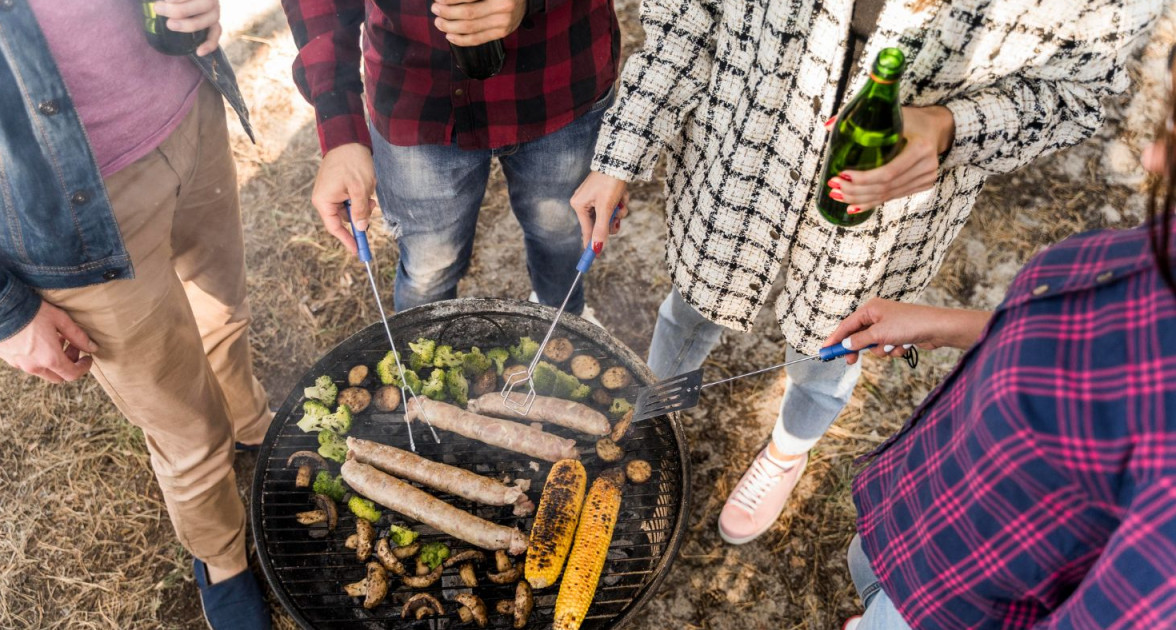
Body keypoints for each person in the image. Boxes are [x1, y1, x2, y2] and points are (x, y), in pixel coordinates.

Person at [571, 0, 1166, 544]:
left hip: (886, 207)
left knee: (834, 345)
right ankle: (651, 415)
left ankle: (786, 452)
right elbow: (687, 14)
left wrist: (949, 124)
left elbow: (1082, 94)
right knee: (691, 302)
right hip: (738, 146)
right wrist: (622, 151)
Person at [834, 44, 1176, 630]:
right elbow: (1096, 352)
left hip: (956, 605)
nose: (1150, 156)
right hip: (927, 512)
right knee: (868, 582)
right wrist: (950, 325)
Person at [0, 1, 272, 627]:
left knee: (225, 315)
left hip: (190, 105)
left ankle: (254, 425)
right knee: (182, 423)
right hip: (65, 206)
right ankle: (221, 558)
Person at [280, 0, 623, 319]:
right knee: (429, 269)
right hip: (414, 93)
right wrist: (340, 126)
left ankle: (564, 327)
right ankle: (425, 370)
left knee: (563, 238)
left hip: (560, 77)